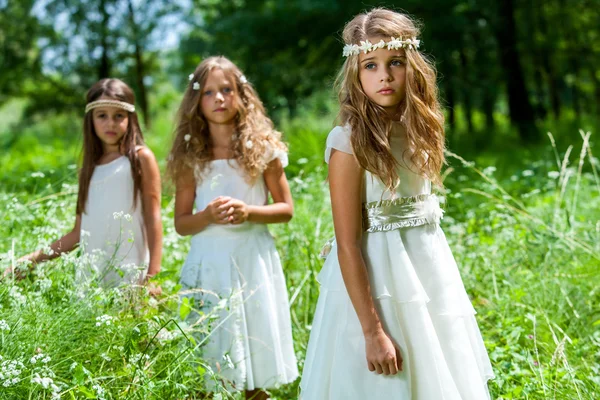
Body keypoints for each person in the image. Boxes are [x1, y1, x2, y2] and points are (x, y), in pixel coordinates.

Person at [300, 8, 494, 399]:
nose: (384, 76)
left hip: (428, 277)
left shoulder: (421, 129)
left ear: (413, 66)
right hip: (379, 284)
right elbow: (348, 243)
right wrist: (372, 332)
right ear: (355, 72)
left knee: (437, 375)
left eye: (395, 63)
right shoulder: (348, 142)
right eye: (370, 65)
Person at [167, 56, 298, 399]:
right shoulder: (189, 155)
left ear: (242, 95)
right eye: (209, 92)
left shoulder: (263, 148)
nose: (219, 99)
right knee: (210, 353)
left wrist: (249, 211)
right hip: (210, 263)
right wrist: (207, 215)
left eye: (227, 90)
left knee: (253, 352)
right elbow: (182, 224)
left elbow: (285, 209)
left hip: (251, 258)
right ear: (197, 101)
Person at [5, 78, 162, 290]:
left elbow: (153, 219)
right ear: (91, 120)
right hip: (91, 282)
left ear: (130, 118)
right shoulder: (88, 170)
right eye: (102, 116)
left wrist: (153, 276)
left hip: (131, 276)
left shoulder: (140, 159)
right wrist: (30, 260)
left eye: (118, 116)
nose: (110, 123)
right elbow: (78, 234)